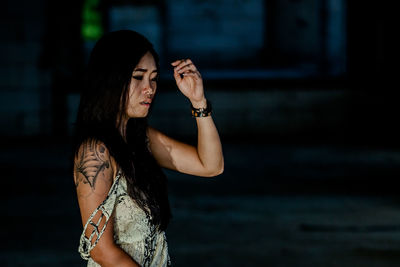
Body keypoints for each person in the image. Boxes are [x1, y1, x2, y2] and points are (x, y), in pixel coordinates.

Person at [72, 30, 224, 267]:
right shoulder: (95, 152)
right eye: (138, 77)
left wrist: (198, 101)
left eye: (153, 78)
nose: (149, 88)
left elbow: (211, 166)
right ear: (111, 79)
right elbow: (101, 250)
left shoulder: (141, 139)